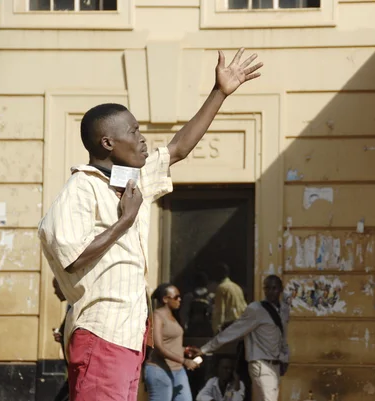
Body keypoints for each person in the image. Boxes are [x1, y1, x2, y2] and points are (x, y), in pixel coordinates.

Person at [37, 48, 263, 401]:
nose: (143, 138)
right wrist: (124, 221)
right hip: (101, 334)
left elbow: (177, 149)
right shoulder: (81, 187)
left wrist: (219, 92)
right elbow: (71, 255)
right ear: (108, 142)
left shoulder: (130, 182)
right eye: (134, 131)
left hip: (128, 337)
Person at [193, 275, 290, 401]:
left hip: (276, 365)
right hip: (260, 364)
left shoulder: (284, 309)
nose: (271, 292)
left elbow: (283, 336)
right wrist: (205, 349)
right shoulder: (256, 309)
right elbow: (232, 331)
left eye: (274, 288)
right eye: (267, 288)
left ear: (280, 289)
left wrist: (285, 358)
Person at [145, 283, 198, 401]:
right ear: (165, 299)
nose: (180, 299)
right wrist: (184, 361)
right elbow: (158, 346)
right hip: (160, 370)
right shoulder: (157, 317)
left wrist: (186, 350)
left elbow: (170, 343)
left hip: (178, 370)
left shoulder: (173, 317)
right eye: (176, 297)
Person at [211, 263, 247, 334]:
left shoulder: (221, 288)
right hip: (241, 325)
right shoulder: (237, 287)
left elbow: (220, 311)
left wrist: (216, 329)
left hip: (229, 326)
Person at [182, 271, 216, 338]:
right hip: (207, 327)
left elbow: (184, 313)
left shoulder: (189, 296)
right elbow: (214, 313)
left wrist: (185, 326)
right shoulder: (211, 296)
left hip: (192, 327)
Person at [52, 278, 70, 401]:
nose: (55, 292)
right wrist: (62, 337)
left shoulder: (75, 306)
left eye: (56, 287)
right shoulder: (71, 306)